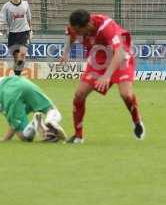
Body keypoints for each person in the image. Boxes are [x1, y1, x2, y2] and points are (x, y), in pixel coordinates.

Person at [60, 9, 145, 144]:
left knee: (126, 95)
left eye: (79, 31)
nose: (78, 34)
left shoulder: (106, 27)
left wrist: (107, 76)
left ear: (88, 26)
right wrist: (66, 53)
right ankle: (78, 136)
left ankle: (136, 120)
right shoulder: (76, 26)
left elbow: (119, 52)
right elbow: (71, 35)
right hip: (98, 59)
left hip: (121, 58)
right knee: (79, 94)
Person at [0, 76, 67, 142]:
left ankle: (34, 123)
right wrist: (5, 139)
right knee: (50, 109)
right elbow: (12, 123)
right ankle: (51, 121)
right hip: (24, 83)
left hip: (9, 93)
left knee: (24, 137)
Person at [0, 0, 32, 76]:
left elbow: (29, 18)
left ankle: (18, 75)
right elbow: (1, 19)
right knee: (16, 58)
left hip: (24, 32)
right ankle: (17, 76)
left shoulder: (25, 4)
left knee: (22, 55)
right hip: (12, 34)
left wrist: (31, 30)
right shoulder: (6, 6)